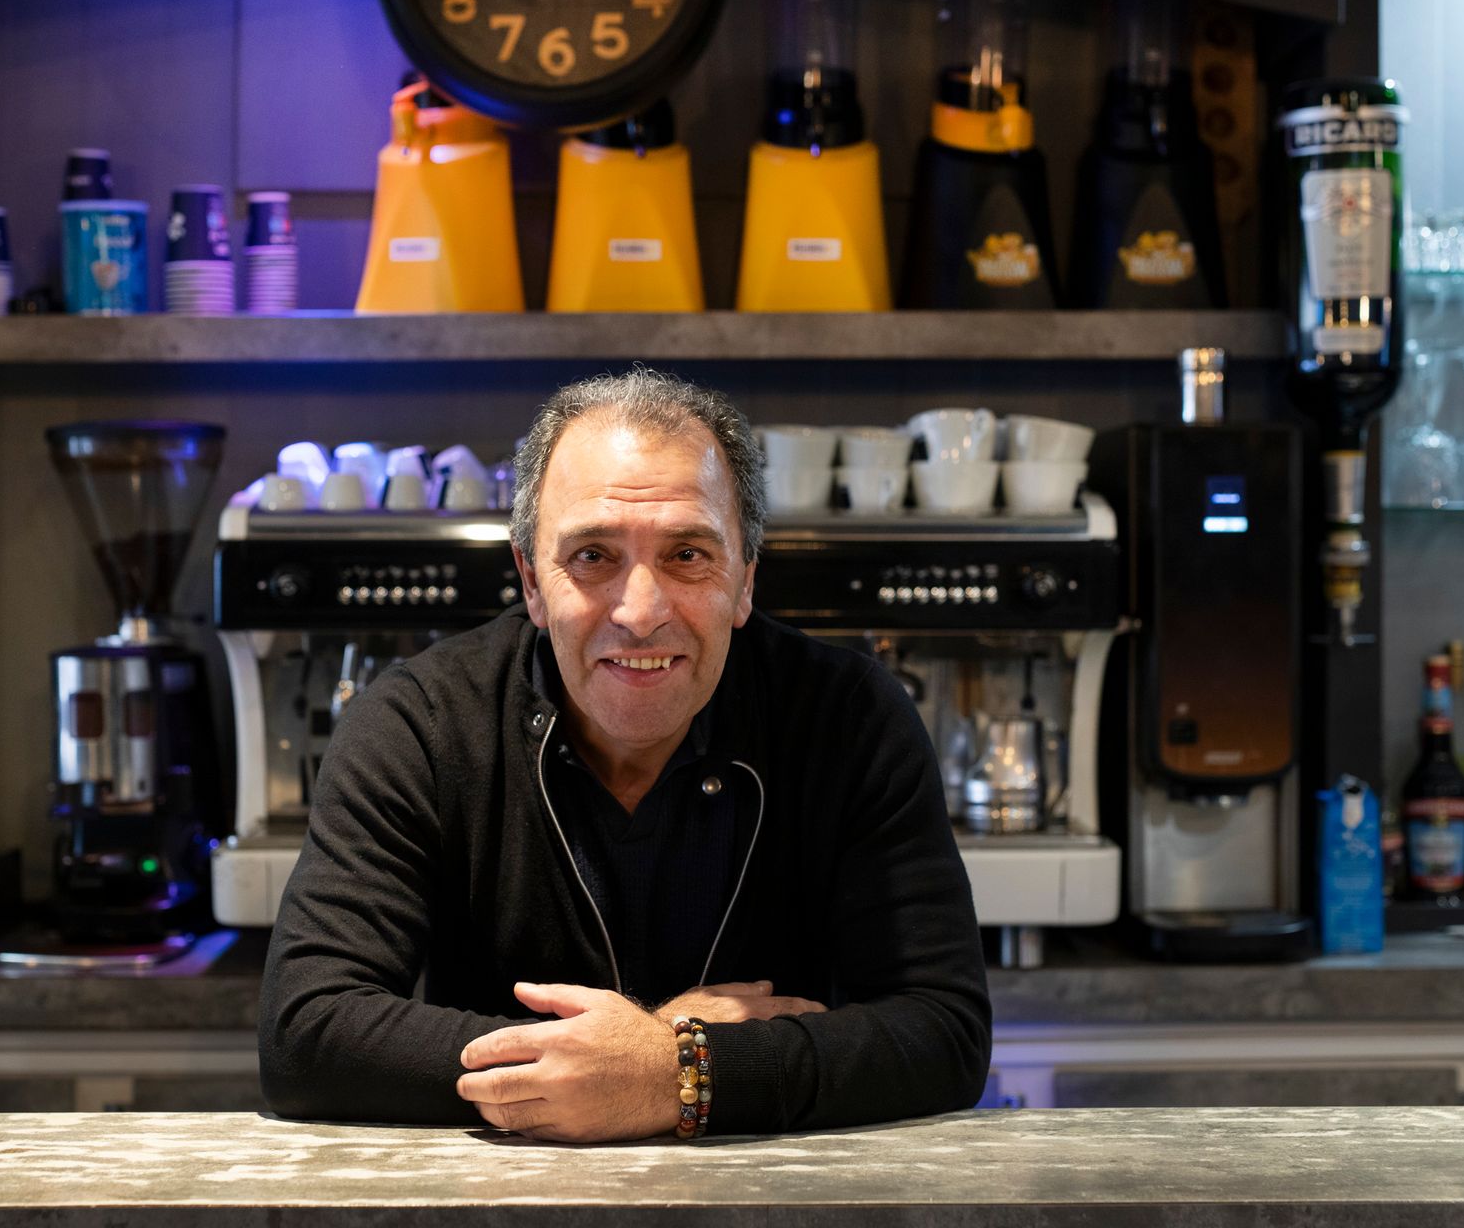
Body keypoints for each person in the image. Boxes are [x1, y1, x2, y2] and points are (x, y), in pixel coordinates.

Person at [259, 369, 991, 1142]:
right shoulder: (419, 726)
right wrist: (657, 1049)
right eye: (593, 555)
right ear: (531, 582)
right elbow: (307, 1035)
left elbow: (943, 1031)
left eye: (687, 554)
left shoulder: (850, 719)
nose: (640, 613)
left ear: (745, 581)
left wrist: (670, 1072)